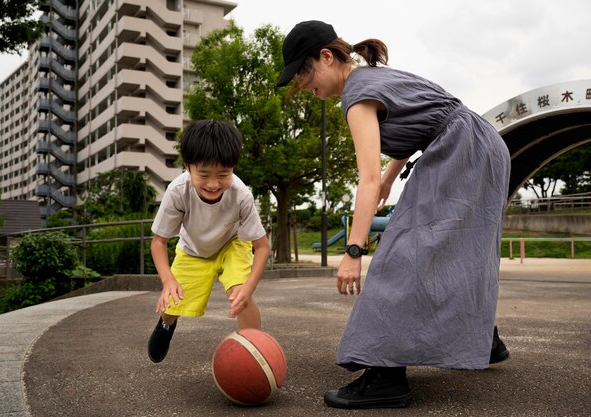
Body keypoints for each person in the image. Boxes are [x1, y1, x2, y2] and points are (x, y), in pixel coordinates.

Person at [277, 21, 511, 409]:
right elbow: (424, 120)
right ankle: (481, 339)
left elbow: (364, 180)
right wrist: (389, 178)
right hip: (481, 143)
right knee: (460, 253)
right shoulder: (369, 78)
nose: (301, 83)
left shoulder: (356, 95)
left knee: (402, 255)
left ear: (326, 57)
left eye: (303, 71)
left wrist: (353, 252)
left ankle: (384, 376)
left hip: (459, 147)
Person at [147, 119, 270, 363]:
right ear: (187, 167)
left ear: (233, 168)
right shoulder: (177, 191)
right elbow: (158, 242)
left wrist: (248, 288)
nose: (213, 184)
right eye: (204, 174)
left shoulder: (241, 194)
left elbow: (262, 246)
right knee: (173, 305)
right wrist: (168, 280)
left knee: (239, 295)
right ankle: (166, 324)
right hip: (193, 249)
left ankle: (256, 351)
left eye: (223, 174)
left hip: (232, 244)